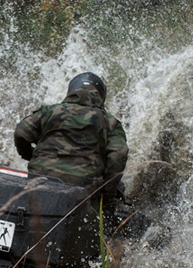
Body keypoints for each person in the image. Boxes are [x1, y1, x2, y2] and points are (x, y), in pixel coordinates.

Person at [14, 72, 128, 203]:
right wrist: (108, 191)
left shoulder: (50, 111)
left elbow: (21, 132)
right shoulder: (109, 122)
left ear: (72, 91)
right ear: (101, 96)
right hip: (83, 188)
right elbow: (118, 154)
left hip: (39, 178)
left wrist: (30, 156)